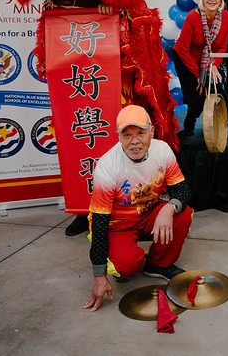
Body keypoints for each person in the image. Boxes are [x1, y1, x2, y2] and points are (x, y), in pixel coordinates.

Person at [84, 105, 193, 312]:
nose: (134, 141)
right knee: (125, 267)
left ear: (151, 131)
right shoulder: (107, 166)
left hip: (148, 214)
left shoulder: (162, 151)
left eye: (141, 133)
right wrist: (99, 276)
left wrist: (168, 208)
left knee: (182, 214)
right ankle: (126, 257)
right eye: (127, 134)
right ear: (118, 137)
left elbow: (182, 190)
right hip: (117, 225)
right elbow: (99, 223)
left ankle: (158, 264)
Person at [172, 0, 228, 137]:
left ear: (221, 0)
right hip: (185, 58)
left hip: (209, 61)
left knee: (220, 93)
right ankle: (189, 126)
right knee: (197, 95)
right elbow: (182, 49)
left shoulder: (226, 17)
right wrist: (198, 75)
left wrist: (213, 65)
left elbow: (222, 47)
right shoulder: (193, 17)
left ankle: (220, 129)